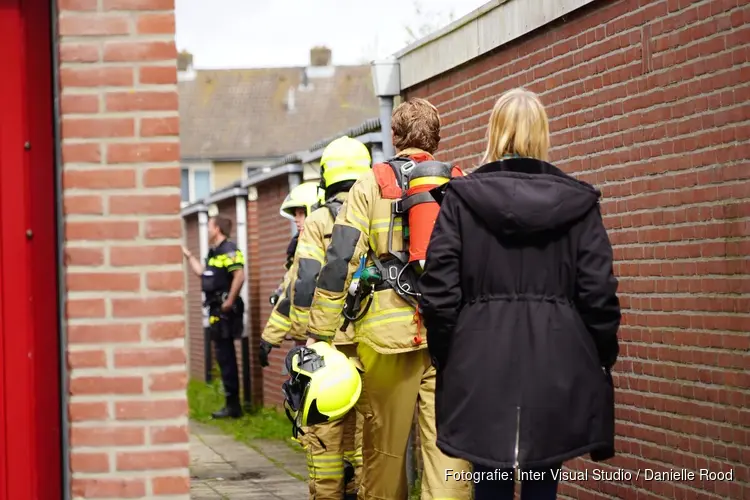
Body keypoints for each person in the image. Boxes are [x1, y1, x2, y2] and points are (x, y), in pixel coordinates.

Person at [418, 87, 621, 500]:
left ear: (494, 133)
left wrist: (447, 353)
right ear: (542, 135)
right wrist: (601, 354)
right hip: (556, 361)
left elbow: (438, 291)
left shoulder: (460, 200)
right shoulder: (578, 203)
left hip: (478, 361)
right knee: (541, 479)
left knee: (488, 479)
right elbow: (598, 292)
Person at [305, 98, 471, 500]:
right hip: (449, 336)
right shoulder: (459, 180)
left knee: (384, 453)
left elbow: (340, 259)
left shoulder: (370, 183)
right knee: (449, 451)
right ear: (436, 138)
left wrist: (321, 333)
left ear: (394, 137)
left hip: (386, 341)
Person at [288, 136, 370, 500]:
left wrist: (302, 334)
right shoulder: (376, 211)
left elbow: (306, 279)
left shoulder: (319, 220)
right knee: (366, 435)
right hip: (372, 342)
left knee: (325, 435)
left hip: (328, 346)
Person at [183, 215, 246, 419]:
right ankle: (230, 404)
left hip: (226, 313)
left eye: (210, 227)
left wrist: (229, 302)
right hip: (215, 312)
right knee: (222, 356)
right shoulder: (214, 253)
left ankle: (233, 406)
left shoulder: (229, 250)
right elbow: (203, 274)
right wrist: (188, 255)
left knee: (227, 358)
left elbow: (239, 275)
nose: (208, 231)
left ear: (217, 228)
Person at [259, 181, 320, 366]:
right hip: (305, 339)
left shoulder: (325, 245)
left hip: (322, 338)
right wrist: (269, 338)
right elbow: (289, 297)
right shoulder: (299, 247)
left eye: (301, 213)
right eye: (295, 214)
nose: (296, 219)